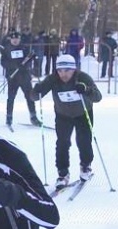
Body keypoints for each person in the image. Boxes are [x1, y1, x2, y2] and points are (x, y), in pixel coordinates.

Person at [31, 54, 103, 188]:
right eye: (60, 71)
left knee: (84, 141)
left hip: (83, 113)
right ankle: (63, 173)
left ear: (73, 70)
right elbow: (34, 96)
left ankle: (86, 166)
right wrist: (36, 92)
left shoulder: (83, 78)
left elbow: (98, 97)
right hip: (63, 115)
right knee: (62, 143)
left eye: (67, 71)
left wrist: (86, 90)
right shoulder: (53, 79)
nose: (63, 74)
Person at [1, 30, 41, 127]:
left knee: (29, 97)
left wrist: (34, 60)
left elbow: (30, 58)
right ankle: (9, 117)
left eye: (17, 38)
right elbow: (3, 62)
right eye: (13, 38)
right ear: (10, 39)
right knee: (11, 98)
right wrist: (14, 66)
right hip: (12, 77)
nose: (15, 40)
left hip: (24, 77)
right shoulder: (7, 49)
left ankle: (33, 117)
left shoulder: (24, 48)